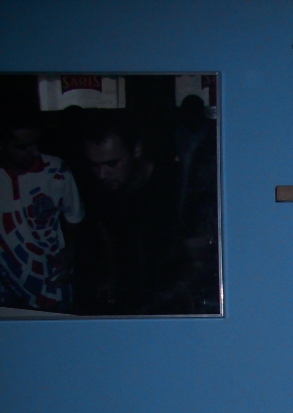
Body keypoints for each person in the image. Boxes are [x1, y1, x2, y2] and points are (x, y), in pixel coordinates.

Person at [75, 114, 189, 314]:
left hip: (173, 306)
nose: (102, 174)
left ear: (136, 150)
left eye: (112, 163)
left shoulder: (174, 185)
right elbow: (105, 238)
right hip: (126, 304)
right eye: (94, 165)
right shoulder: (94, 190)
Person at [0, 107, 84, 312]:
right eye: (23, 147)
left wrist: (69, 253)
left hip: (50, 283)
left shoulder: (56, 170)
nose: (35, 152)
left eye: (36, 143)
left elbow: (75, 218)